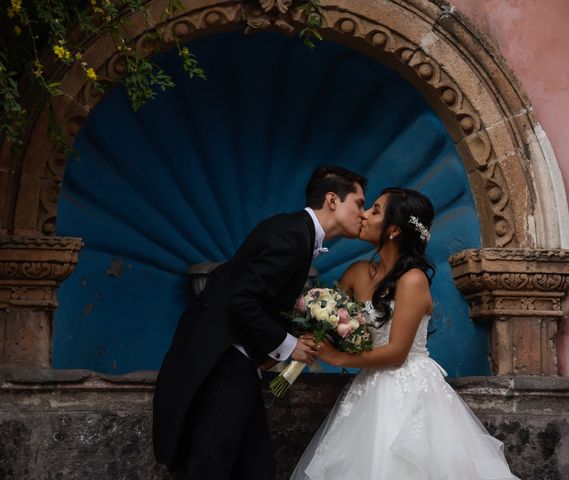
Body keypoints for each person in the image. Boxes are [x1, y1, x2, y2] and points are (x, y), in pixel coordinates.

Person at [153, 165, 367, 480]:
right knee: (209, 467)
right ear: (333, 200)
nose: (362, 213)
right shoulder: (294, 235)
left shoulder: (295, 231)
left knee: (257, 469)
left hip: (239, 364)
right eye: (359, 203)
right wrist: (290, 346)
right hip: (225, 363)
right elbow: (242, 301)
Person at [291, 187, 519, 480]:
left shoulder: (413, 280)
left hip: (406, 392)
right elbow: (328, 318)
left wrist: (335, 357)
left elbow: (397, 353)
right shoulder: (358, 272)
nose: (364, 214)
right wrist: (314, 323)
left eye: (374, 210)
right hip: (367, 389)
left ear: (394, 229)